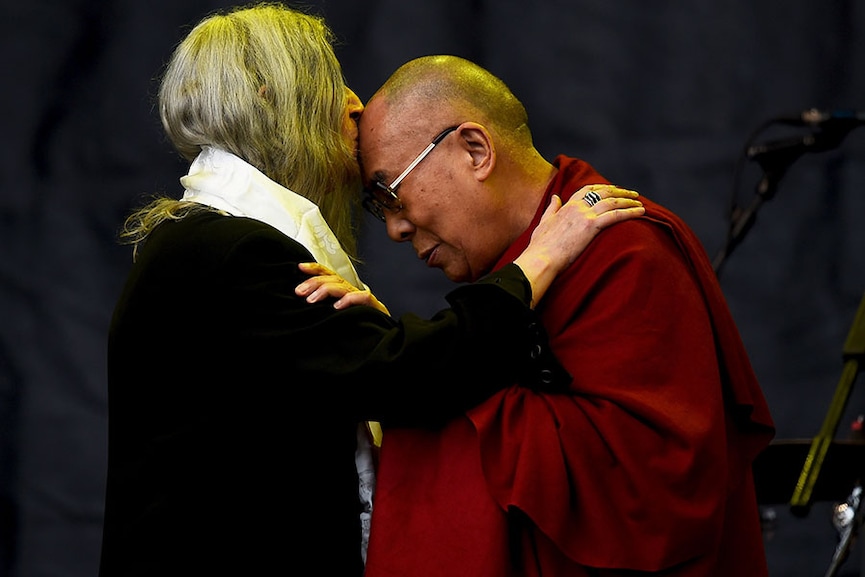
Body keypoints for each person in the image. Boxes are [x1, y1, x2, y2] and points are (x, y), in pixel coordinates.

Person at [97, 5, 645, 577]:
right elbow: (407, 381)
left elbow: (353, 376)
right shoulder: (231, 251)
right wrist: (538, 262)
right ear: (272, 100)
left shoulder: (198, 244)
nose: (355, 104)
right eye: (331, 85)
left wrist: (367, 341)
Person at [348, 55, 776, 577]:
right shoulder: (520, 269)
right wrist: (403, 356)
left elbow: (653, 487)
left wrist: (419, 378)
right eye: (377, 209)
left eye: (390, 194)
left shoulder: (626, 252)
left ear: (475, 151)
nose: (394, 229)